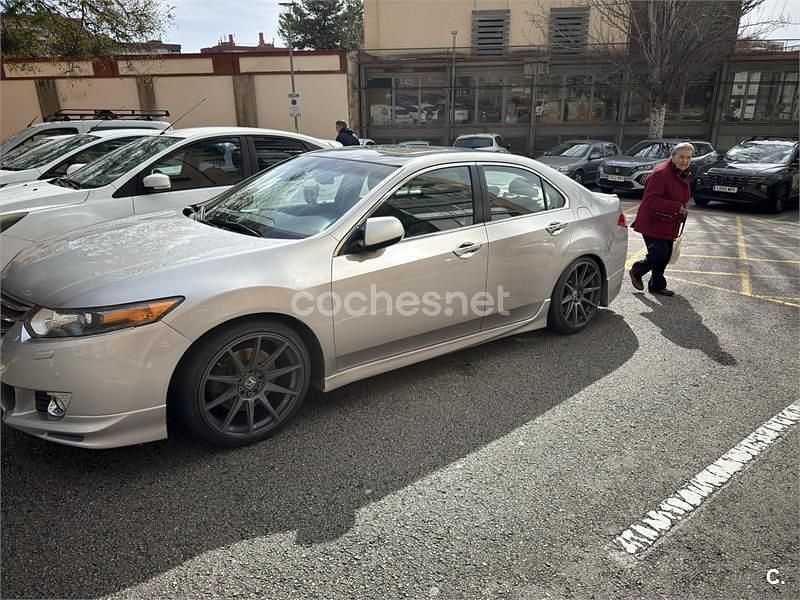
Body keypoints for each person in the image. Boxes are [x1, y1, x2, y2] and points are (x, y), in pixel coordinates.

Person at [629, 142, 694, 297]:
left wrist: (680, 208)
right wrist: (676, 207)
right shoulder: (660, 174)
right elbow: (650, 200)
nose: (685, 161)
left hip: (669, 221)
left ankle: (657, 286)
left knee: (666, 255)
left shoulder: (681, 173)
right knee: (659, 253)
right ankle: (637, 271)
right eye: (681, 157)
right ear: (673, 156)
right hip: (652, 221)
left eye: (688, 157)